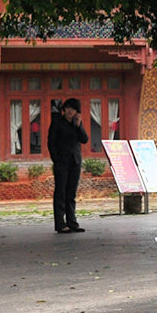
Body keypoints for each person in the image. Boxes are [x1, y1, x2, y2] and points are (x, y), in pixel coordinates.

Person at [48, 98, 88, 233]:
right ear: (64, 109)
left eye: (73, 109)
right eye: (68, 108)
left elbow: (85, 139)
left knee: (71, 193)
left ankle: (72, 222)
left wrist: (78, 125)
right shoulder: (57, 122)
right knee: (61, 193)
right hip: (61, 162)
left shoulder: (76, 124)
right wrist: (56, 160)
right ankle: (60, 224)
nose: (70, 111)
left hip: (75, 162)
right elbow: (51, 142)